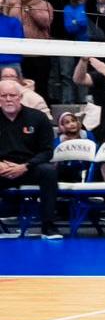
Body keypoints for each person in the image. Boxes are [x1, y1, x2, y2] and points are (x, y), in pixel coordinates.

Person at [0, 77, 60, 239]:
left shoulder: (38, 117)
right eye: (3, 95)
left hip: (30, 168)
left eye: (12, 95)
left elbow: (48, 151)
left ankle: (48, 227)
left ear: (20, 97)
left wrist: (25, 166)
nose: (8, 99)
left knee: (48, 171)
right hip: (2, 169)